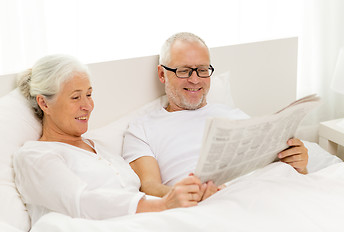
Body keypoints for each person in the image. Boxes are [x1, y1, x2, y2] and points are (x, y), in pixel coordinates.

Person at [13, 54, 206, 225]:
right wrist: (163, 204)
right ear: (44, 103)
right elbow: (80, 201)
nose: (87, 106)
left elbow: (138, 191)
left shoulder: (102, 149)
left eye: (89, 94)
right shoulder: (34, 156)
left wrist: (188, 194)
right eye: (75, 98)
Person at [122, 32, 309, 199]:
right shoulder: (142, 128)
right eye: (184, 71)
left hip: (265, 192)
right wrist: (189, 195)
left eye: (202, 70)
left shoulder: (234, 116)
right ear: (162, 74)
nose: (195, 80)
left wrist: (298, 163)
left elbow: (273, 166)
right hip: (210, 203)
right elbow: (150, 187)